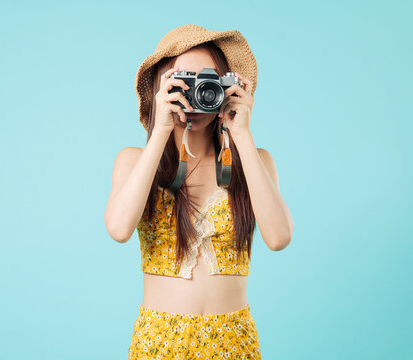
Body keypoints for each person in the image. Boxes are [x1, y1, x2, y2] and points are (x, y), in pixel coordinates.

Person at [104, 24, 294, 359]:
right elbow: (118, 229)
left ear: (225, 86)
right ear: (162, 87)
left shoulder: (254, 162)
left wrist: (242, 135)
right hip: (159, 346)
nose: (193, 95)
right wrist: (161, 128)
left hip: (234, 346)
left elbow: (279, 238)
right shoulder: (133, 161)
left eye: (205, 82)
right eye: (182, 82)